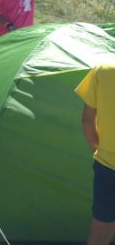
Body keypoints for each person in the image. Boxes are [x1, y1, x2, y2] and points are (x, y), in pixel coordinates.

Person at [75, 63, 115, 245]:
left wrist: (98, 152)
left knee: (100, 234)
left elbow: (87, 120)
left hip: (107, 167)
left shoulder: (103, 71)